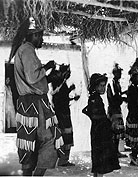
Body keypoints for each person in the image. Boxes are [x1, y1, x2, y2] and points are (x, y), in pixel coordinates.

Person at [11, 17, 64, 176]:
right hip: (35, 106)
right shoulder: (27, 49)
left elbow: (33, 80)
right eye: (39, 35)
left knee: (29, 143)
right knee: (49, 141)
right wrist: (46, 67)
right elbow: (33, 77)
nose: (42, 39)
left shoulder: (23, 50)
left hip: (31, 104)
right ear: (31, 36)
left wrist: (51, 77)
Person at [82, 73, 121, 177]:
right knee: (101, 161)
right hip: (100, 132)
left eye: (104, 85)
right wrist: (108, 122)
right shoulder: (95, 99)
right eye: (101, 85)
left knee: (99, 159)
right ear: (95, 86)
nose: (103, 88)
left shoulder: (95, 97)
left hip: (99, 130)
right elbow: (96, 116)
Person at [49, 64, 80, 167]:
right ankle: (63, 160)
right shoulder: (60, 84)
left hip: (62, 113)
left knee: (63, 136)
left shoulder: (61, 84)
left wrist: (71, 96)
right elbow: (60, 99)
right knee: (65, 137)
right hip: (63, 115)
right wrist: (70, 91)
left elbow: (61, 99)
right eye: (68, 72)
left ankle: (62, 159)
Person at [125, 65, 138, 166]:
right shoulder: (133, 89)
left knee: (137, 139)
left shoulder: (133, 88)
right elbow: (136, 104)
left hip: (134, 116)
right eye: (137, 76)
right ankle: (133, 155)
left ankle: (134, 156)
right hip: (134, 117)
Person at [107, 63, 127, 158]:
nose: (120, 75)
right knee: (115, 130)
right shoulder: (112, 83)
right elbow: (114, 97)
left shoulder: (116, 83)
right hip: (113, 109)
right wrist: (122, 98)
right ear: (115, 73)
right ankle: (114, 151)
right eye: (118, 73)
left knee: (117, 131)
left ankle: (115, 151)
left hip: (116, 108)